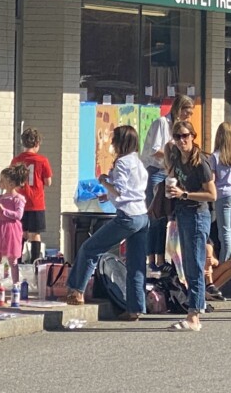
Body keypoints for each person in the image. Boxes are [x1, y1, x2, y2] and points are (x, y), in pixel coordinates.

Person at [66, 125, 149, 321]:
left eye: (114, 140)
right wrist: (107, 195)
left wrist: (104, 181)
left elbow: (119, 190)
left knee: (90, 248)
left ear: (121, 143)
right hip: (142, 216)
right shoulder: (138, 162)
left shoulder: (121, 163)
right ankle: (135, 308)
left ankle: (77, 290)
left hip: (126, 215)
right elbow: (132, 190)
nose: (112, 144)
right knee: (136, 265)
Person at [165, 119, 217, 331]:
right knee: (186, 266)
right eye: (177, 136)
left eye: (185, 136)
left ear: (193, 137)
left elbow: (212, 195)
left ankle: (194, 316)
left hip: (197, 215)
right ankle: (194, 310)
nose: (181, 140)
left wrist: (185, 194)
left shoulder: (200, 162)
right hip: (182, 214)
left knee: (195, 266)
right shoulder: (177, 159)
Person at [142, 94, 194, 273]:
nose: (189, 117)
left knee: (166, 216)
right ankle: (151, 258)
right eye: (187, 113)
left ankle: (161, 257)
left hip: (170, 172)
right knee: (155, 214)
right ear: (179, 110)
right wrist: (172, 158)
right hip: (157, 171)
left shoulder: (180, 128)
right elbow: (155, 150)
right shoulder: (162, 124)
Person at [208, 122, 231, 299]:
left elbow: (212, 178)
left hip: (222, 195)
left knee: (224, 232)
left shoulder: (214, 156)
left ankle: (226, 263)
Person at [11, 127, 53, 263]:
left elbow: (11, 179)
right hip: (36, 202)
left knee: (21, 232)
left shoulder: (16, 160)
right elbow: (48, 182)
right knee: (35, 234)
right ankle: (35, 261)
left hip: (19, 201)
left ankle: (17, 260)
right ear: (37, 144)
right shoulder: (42, 160)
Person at [0, 164, 28, 288]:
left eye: (2, 180)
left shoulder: (18, 199)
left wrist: (4, 211)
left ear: (10, 183)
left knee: (12, 259)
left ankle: (16, 283)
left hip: (11, 231)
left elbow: (19, 215)